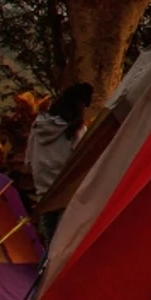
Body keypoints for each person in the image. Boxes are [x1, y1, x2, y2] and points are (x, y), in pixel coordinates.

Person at [27, 82, 94, 249]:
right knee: (64, 248)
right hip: (67, 196)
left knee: (51, 246)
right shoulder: (76, 130)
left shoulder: (37, 126)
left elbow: (28, 160)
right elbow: (83, 163)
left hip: (44, 195)